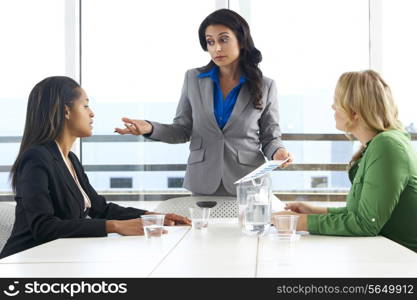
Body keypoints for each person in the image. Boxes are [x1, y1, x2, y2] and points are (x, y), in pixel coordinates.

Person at [0, 76, 190, 259]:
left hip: (60, 257)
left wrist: (153, 217)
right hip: (27, 261)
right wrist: (115, 226)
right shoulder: (36, 158)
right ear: (66, 111)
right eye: (85, 105)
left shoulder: (70, 159)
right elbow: (44, 227)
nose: (92, 113)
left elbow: (100, 209)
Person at [115, 9, 293, 196]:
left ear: (241, 40)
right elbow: (182, 130)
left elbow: (270, 136)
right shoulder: (193, 79)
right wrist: (150, 128)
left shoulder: (266, 85)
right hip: (203, 181)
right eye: (210, 42)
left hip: (249, 183)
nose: (216, 48)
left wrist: (278, 152)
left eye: (223, 40)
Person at [276, 70, 417, 253]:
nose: (332, 107)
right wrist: (313, 211)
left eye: (337, 101)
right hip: (391, 255)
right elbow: (360, 213)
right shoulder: (378, 144)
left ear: (355, 111)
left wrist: (296, 222)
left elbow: (366, 224)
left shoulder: (387, 145)